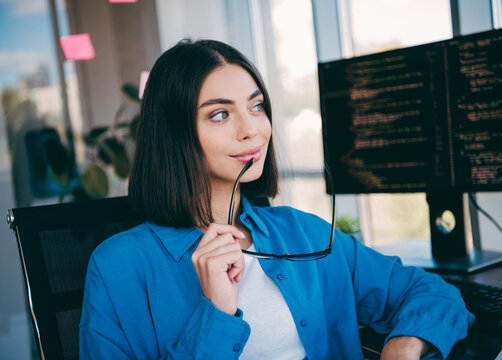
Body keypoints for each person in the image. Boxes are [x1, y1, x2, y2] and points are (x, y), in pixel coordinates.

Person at [79, 39, 474, 360]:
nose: (252, 129)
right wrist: (215, 314)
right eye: (220, 114)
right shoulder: (118, 267)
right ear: (174, 134)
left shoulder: (303, 233)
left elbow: (430, 292)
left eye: (256, 106)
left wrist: (403, 346)